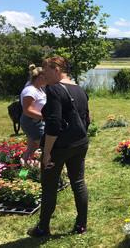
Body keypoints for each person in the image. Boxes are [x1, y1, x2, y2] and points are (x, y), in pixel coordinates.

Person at [28, 56, 90, 237]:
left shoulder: (54, 90)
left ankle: (43, 227)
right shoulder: (79, 89)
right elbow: (87, 118)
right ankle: (81, 225)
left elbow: (53, 125)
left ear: (57, 69)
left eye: (46, 70)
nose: (44, 75)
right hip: (80, 143)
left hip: (60, 147)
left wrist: (46, 152)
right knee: (78, 183)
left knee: (49, 186)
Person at [20, 64, 46, 161]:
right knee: (46, 148)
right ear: (40, 77)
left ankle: (23, 173)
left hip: (36, 121)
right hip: (32, 123)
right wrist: (45, 117)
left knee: (31, 149)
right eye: (46, 76)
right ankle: (47, 172)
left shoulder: (38, 89)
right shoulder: (30, 91)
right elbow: (27, 111)